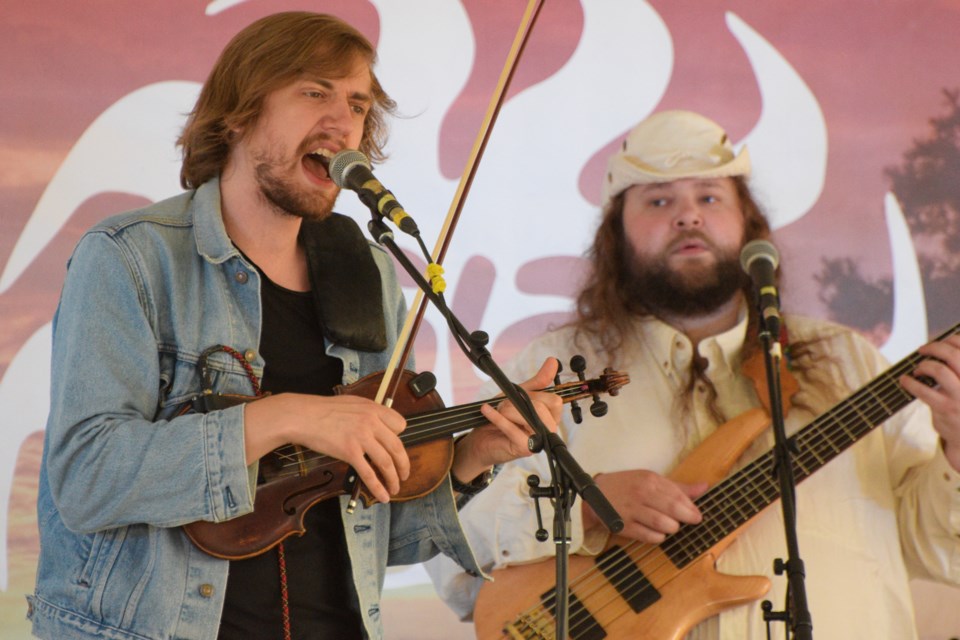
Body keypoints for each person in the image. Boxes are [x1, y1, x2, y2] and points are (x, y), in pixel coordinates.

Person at [27, 12, 561, 640]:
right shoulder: (130, 257)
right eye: (315, 93)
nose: (343, 122)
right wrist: (288, 415)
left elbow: (367, 531)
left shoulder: (368, 273)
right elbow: (87, 478)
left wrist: (473, 456)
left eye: (358, 105)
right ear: (239, 113)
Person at [426, 110, 960, 639]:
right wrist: (582, 505)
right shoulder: (553, 368)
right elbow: (447, 552)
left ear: (748, 224)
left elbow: (940, 553)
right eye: (659, 201)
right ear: (616, 233)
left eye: (709, 197)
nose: (688, 217)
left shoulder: (849, 361)